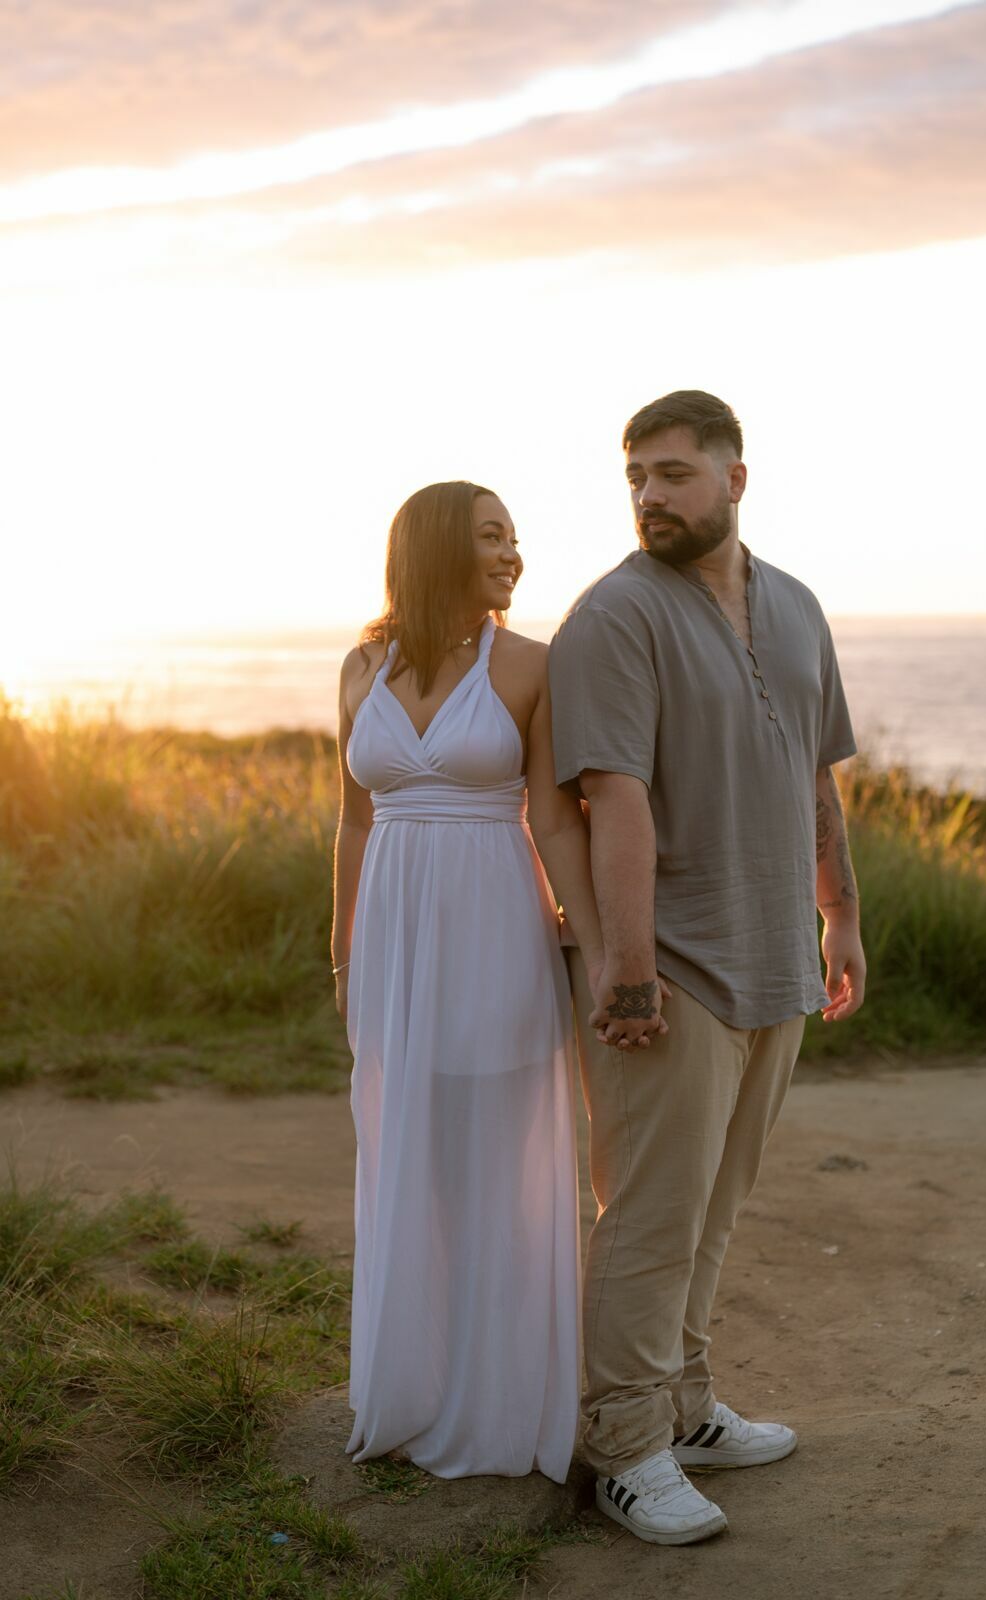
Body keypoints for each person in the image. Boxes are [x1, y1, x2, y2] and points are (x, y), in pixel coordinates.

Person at [549, 389, 866, 1544]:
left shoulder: (797, 606)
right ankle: (625, 1445)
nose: (648, 494)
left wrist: (839, 915)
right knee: (649, 1215)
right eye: (636, 474)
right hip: (672, 969)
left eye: (672, 472)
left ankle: (683, 1405)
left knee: (715, 1208)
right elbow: (612, 800)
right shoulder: (614, 616)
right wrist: (628, 971)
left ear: (734, 479)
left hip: (776, 957)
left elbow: (814, 777)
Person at [331, 479, 602, 1483]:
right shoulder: (361, 667)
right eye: (492, 536)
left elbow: (557, 819)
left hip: (496, 927)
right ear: (438, 546)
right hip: (392, 941)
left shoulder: (530, 664)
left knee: (496, 1157)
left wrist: (603, 949)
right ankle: (415, 1383)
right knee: (409, 1155)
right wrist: (343, 953)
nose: (513, 554)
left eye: (515, 538)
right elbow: (355, 820)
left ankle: (500, 1401)